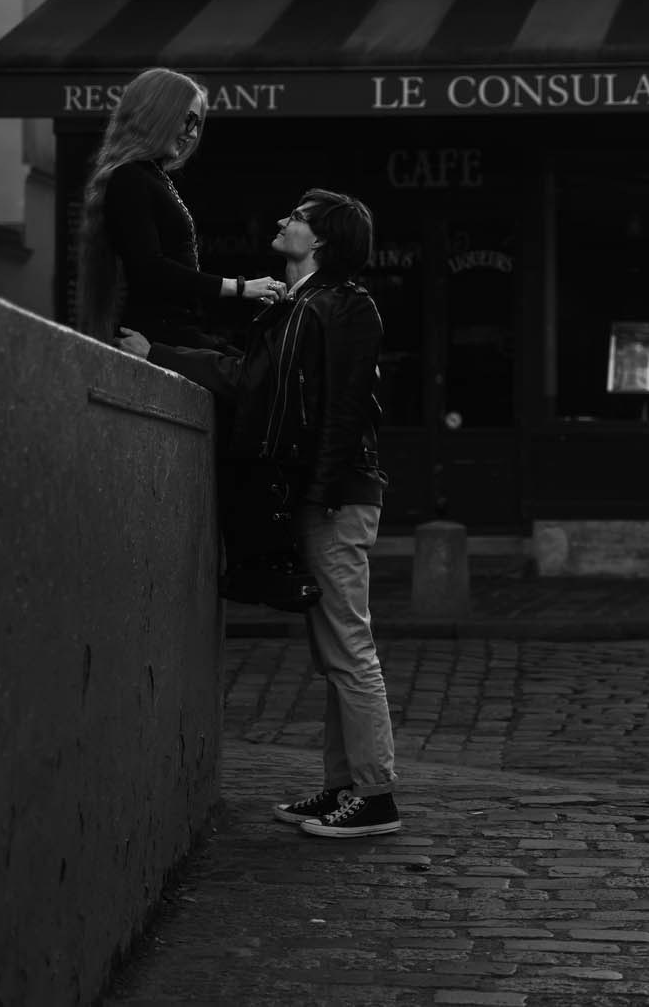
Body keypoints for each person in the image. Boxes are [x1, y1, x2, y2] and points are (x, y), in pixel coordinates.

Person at [120, 189, 399, 839]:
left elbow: (350, 408)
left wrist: (322, 491)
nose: (282, 220)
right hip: (315, 492)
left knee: (349, 649)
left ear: (322, 237)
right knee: (334, 652)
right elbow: (247, 378)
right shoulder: (299, 306)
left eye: (297, 216)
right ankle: (344, 786)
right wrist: (158, 351)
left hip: (336, 495)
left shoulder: (347, 304)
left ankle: (377, 793)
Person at [75, 67, 285, 347]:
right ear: (157, 114)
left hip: (170, 332)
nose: (192, 133)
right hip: (155, 336)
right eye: (187, 120)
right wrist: (241, 287)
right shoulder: (130, 177)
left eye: (197, 123)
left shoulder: (149, 176)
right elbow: (150, 268)